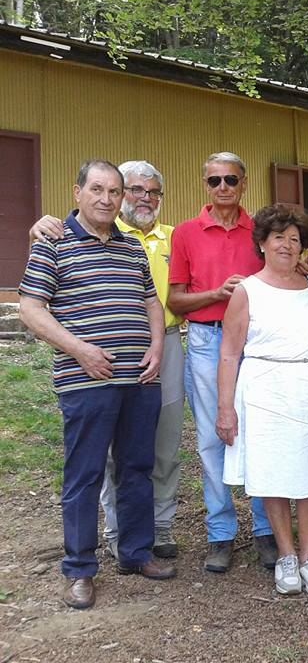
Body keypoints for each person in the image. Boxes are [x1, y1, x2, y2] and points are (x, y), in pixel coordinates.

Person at [19, 160, 175, 610]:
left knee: (136, 469)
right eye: (97, 190)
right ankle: (80, 569)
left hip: (140, 379)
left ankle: (136, 554)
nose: (106, 199)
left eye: (114, 192)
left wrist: (158, 346)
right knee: (85, 476)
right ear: (78, 192)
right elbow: (31, 309)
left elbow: (150, 300)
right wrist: (80, 350)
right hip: (86, 380)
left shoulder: (131, 248)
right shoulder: (52, 243)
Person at [215, 204, 308, 596]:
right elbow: (229, 353)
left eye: (294, 239)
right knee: (274, 472)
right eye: (278, 237)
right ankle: (285, 555)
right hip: (265, 388)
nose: (287, 245)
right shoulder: (247, 291)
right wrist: (225, 408)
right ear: (262, 243)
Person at [167, 152, 280, 573]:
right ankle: (220, 532)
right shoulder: (186, 233)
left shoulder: (261, 232)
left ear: (244, 183)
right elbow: (174, 300)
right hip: (207, 340)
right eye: (214, 181)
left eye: (231, 179)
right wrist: (217, 293)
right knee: (214, 436)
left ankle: (266, 528)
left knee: (258, 431)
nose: (223, 188)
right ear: (204, 185)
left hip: (257, 342)